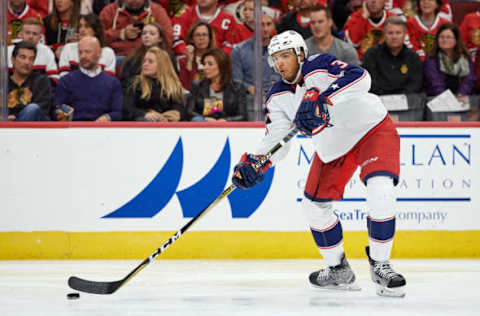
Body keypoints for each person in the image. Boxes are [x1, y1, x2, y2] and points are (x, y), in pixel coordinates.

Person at [231, 30, 406, 297]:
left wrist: (323, 98)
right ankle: (338, 271)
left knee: (381, 188)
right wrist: (257, 162)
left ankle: (381, 264)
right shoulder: (277, 97)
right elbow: (276, 140)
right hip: (334, 146)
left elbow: (361, 78)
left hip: (371, 128)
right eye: (275, 58)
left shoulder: (319, 65)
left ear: (300, 54)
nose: (280, 63)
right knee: (314, 206)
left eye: (285, 56)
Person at [54, 36, 122, 121]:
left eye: (87, 52)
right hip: (73, 130)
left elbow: (118, 113)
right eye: (80, 52)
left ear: (99, 53)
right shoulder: (66, 81)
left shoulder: (113, 83)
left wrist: (107, 117)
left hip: (102, 130)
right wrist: (62, 113)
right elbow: (56, 108)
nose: (83, 56)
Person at [363, 17, 423, 95]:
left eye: (398, 33)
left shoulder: (413, 57)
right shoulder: (371, 54)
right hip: (378, 99)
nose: (394, 37)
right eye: (390, 33)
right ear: (384, 35)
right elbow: (370, 82)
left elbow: (415, 84)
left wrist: (399, 98)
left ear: (404, 35)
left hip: (406, 101)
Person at [123, 47, 185, 121]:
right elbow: (127, 108)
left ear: (162, 65)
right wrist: (146, 114)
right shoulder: (134, 83)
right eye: (144, 61)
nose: (145, 64)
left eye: (150, 62)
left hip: (167, 123)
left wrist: (169, 116)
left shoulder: (173, 85)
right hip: (142, 122)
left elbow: (179, 109)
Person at [187, 48, 247, 121]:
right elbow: (189, 112)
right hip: (204, 126)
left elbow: (242, 115)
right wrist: (205, 119)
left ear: (222, 66)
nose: (205, 67)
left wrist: (226, 121)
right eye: (204, 64)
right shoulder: (197, 85)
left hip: (228, 128)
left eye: (210, 64)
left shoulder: (237, 87)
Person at [231, 14, 280, 103]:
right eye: (261, 25)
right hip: (249, 98)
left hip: (277, 97)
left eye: (268, 24)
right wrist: (250, 88)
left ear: (273, 26)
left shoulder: (281, 50)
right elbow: (236, 81)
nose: (265, 29)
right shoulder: (238, 50)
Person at [99, 0, 172, 57]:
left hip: (149, 57)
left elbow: (167, 39)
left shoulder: (157, 11)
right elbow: (96, 38)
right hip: (116, 58)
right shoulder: (109, 11)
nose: (135, 1)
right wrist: (121, 33)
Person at [423, 23, 476, 97]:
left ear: (456, 40)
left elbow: (469, 80)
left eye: (448, 37)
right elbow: (434, 83)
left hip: (462, 98)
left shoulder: (465, 56)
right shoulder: (431, 58)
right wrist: (447, 99)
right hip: (438, 98)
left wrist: (460, 95)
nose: (444, 40)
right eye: (441, 37)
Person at [120, 22, 176, 89]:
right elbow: (125, 80)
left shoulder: (168, 56)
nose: (147, 36)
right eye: (144, 33)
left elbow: (172, 79)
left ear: (160, 38)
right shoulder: (133, 56)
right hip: (136, 92)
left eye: (152, 34)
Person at [172, 0, 237, 56]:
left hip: (218, 63)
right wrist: (187, 53)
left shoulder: (228, 19)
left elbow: (229, 46)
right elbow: (176, 41)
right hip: (189, 61)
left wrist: (216, 58)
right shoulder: (184, 15)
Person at [8, 41, 52, 121]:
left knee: (32, 108)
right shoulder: (4, 82)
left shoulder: (41, 81)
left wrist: (15, 119)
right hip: (5, 127)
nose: (27, 62)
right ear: (13, 60)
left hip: (36, 129)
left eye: (31, 59)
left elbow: (40, 110)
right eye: (23, 57)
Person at [8, 18, 59, 85]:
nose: (31, 36)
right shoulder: (8, 51)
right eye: (27, 33)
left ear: (40, 37)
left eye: (34, 34)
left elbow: (54, 78)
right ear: (20, 34)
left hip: (39, 92)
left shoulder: (46, 51)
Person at [178, 21, 217, 90]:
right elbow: (185, 87)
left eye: (204, 35)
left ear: (210, 38)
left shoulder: (218, 59)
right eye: (197, 35)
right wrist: (189, 62)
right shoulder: (183, 61)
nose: (201, 38)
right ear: (192, 39)